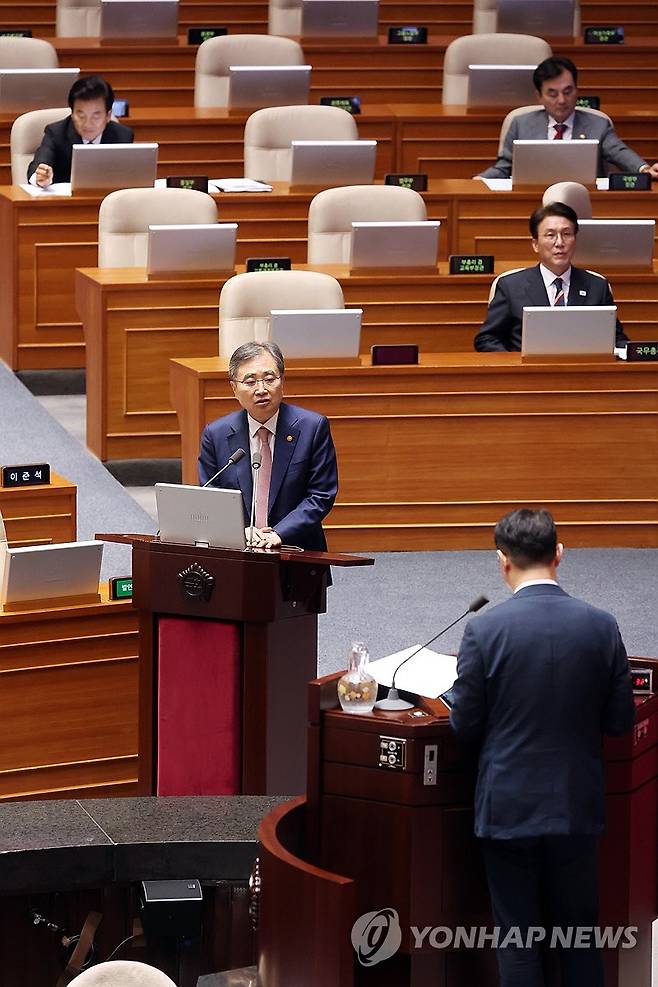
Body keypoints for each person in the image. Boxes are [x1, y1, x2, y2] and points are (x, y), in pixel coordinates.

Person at [449, 508, 635, 987]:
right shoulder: (602, 625)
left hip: (508, 810)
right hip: (576, 805)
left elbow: (465, 725)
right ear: (559, 554)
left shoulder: (484, 630)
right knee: (579, 937)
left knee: (518, 941)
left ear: (502, 561)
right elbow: (620, 722)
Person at [198, 340, 338, 551]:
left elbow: (321, 494)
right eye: (250, 381)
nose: (261, 389)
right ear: (234, 388)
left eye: (269, 379)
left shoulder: (313, 427)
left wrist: (279, 532)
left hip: (297, 548)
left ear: (283, 381)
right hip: (238, 550)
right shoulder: (216, 434)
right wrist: (239, 530)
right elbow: (210, 494)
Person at [474, 201, 629, 351]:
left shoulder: (597, 286)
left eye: (566, 234)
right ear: (535, 244)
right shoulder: (511, 286)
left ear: (575, 240)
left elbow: (616, 339)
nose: (559, 243)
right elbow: (487, 339)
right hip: (528, 368)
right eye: (550, 235)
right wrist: (515, 363)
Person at [478, 56, 658, 180]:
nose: (562, 100)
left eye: (567, 91)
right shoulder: (521, 124)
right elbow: (504, 167)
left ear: (576, 90)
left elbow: (619, 152)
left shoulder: (598, 125)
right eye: (552, 94)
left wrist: (644, 169)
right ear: (539, 96)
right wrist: (480, 180)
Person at [27, 75, 134, 187]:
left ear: (108, 116)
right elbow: (39, 165)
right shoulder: (56, 133)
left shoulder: (123, 136)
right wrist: (41, 177)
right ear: (72, 114)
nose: (87, 124)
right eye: (81, 116)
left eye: (96, 116)